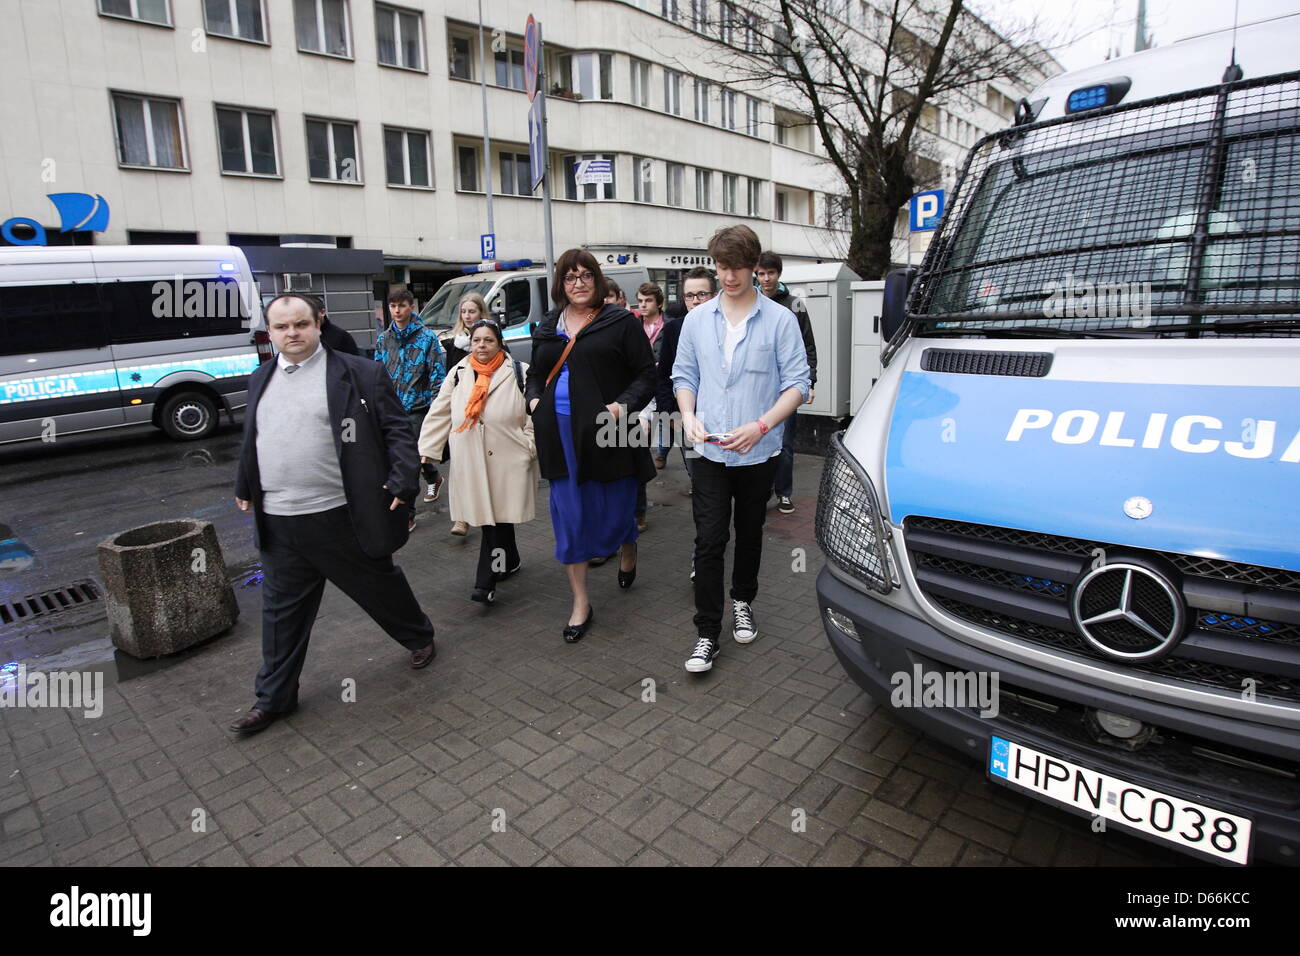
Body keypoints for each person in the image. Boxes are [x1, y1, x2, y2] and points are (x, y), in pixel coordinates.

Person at [231, 294, 436, 735]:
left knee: (379, 587)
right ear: (269, 331)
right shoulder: (260, 378)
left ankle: (418, 635)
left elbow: (396, 430)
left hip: (340, 516)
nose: (292, 333)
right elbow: (255, 439)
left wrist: (404, 479)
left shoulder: (359, 373)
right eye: (282, 327)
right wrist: (245, 484)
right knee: (280, 616)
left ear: (318, 323)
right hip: (280, 522)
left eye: (300, 324)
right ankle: (274, 698)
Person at [673, 225, 810, 674]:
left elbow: (797, 385)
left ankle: (743, 600)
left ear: (755, 266)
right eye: (721, 267)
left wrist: (762, 425)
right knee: (710, 539)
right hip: (709, 452)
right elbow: (684, 376)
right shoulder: (696, 320)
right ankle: (706, 632)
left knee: (749, 534)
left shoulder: (780, 320)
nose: (729, 276)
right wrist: (688, 414)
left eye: (737, 267)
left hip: (759, 451)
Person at [525, 249, 657, 642]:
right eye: (569, 277)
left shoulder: (620, 322)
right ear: (560, 284)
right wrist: (533, 401)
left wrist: (622, 406)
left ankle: (627, 543)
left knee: (616, 506)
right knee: (569, 515)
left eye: (585, 276)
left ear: (597, 281)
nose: (578, 283)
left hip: (607, 430)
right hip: (558, 432)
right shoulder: (549, 325)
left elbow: (647, 374)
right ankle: (581, 602)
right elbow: (535, 373)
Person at [419, 319, 537, 604]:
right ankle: (509, 561)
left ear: (500, 344)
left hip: (509, 456)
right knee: (494, 517)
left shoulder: (520, 372)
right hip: (471, 456)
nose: (481, 345)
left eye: (488, 340)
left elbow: (536, 415)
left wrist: (529, 446)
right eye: (476, 340)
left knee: (493, 517)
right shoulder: (458, 372)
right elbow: (440, 411)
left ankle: (487, 581)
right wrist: (428, 449)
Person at [374, 289, 445, 532]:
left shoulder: (427, 338)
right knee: (406, 456)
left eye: (402, 306)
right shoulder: (384, 339)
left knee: (409, 459)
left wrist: (437, 408)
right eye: (393, 306)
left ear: (411, 307)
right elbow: (377, 373)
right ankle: (433, 476)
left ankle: (408, 514)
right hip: (391, 408)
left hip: (419, 408)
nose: (397, 311)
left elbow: (438, 374)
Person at [756, 251, 819, 515]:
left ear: (778, 274)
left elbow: (808, 347)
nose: (766, 278)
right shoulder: (750, 302)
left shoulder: (795, 305)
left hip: (787, 386)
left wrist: (810, 381)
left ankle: (784, 493)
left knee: (785, 443)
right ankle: (761, 490)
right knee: (759, 439)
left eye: (770, 273)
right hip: (759, 386)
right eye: (761, 273)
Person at [430, 292, 490, 531]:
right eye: (463, 312)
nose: (467, 316)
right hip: (462, 412)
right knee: (460, 465)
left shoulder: (492, 338)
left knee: (483, 463)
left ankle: (485, 509)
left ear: (481, 313)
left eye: (472, 311)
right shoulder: (454, 343)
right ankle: (461, 517)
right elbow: (450, 379)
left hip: (486, 409)